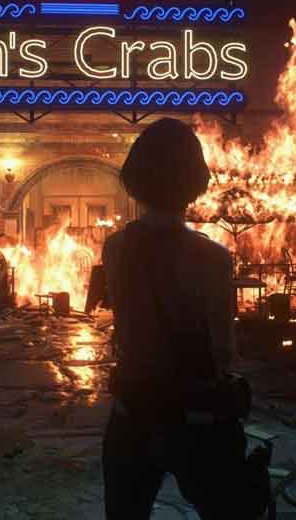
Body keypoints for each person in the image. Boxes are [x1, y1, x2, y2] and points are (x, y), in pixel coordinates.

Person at [101, 118, 245, 519]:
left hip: (133, 411)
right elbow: (223, 350)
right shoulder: (214, 258)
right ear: (195, 181)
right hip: (196, 416)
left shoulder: (115, 248)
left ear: (135, 178)